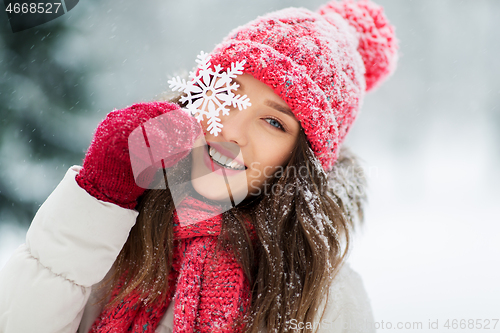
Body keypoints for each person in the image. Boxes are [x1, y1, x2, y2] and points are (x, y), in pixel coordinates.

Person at [0, 0, 398, 332]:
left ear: (301, 162)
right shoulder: (117, 235)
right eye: (228, 92)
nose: (232, 130)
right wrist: (97, 199)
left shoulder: (324, 299)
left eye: (274, 122)